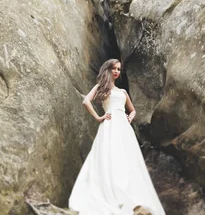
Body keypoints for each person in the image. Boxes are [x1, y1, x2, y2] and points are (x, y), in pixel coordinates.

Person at [69, 59, 165, 215]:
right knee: (109, 156)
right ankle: (111, 191)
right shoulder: (101, 87)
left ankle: (128, 191)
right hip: (109, 124)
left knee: (125, 157)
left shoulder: (123, 92)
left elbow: (132, 110)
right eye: (113, 68)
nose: (116, 71)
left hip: (124, 127)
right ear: (107, 70)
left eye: (119, 69)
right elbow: (86, 101)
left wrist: (129, 118)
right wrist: (98, 117)